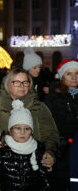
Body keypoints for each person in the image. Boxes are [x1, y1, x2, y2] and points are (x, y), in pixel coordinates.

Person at [0, 68, 59, 178]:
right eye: (17, 82)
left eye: (25, 82)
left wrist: (50, 153)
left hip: (33, 164)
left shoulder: (38, 107)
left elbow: (51, 135)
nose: (22, 86)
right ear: (7, 84)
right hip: (4, 167)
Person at [0, 99, 51, 191]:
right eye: (18, 128)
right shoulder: (2, 153)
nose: (22, 132)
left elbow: (44, 180)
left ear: (32, 131)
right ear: (10, 131)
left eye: (27, 129)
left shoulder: (38, 150)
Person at [44, 59, 78, 191]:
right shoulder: (53, 97)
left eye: (77, 73)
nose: (74, 77)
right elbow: (47, 125)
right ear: (62, 77)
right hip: (60, 150)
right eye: (69, 73)